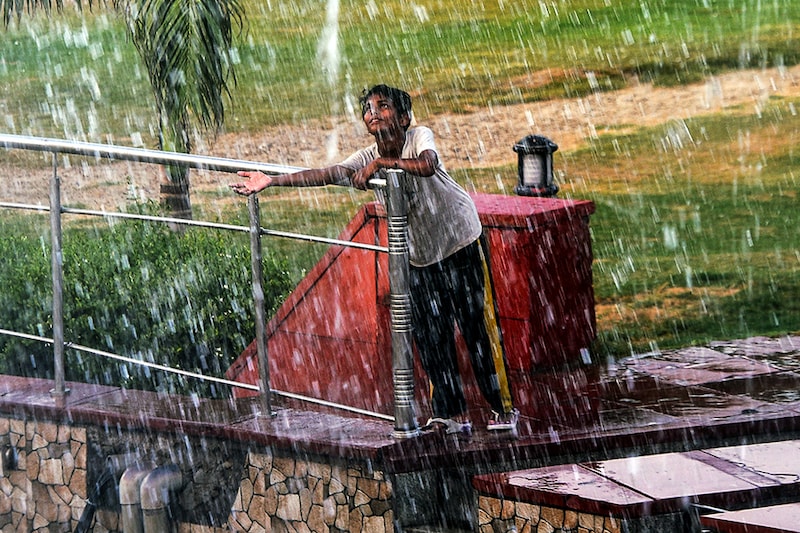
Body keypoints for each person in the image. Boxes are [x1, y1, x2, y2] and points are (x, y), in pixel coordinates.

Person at [231, 84, 518, 434]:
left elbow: (427, 166)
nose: (374, 113)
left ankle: (503, 408)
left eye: (383, 106)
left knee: (477, 328)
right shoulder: (365, 158)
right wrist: (272, 181)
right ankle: (449, 415)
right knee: (431, 337)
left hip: (461, 241)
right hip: (421, 257)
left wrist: (383, 164)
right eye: (368, 109)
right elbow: (329, 174)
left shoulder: (418, 138)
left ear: (404, 117)